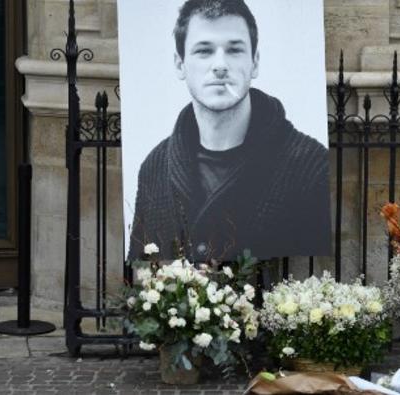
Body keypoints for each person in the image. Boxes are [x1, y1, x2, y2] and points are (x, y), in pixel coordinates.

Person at [128, 0, 331, 261]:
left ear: (255, 62)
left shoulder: (310, 166)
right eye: (204, 51)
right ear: (180, 65)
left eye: (234, 50)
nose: (220, 65)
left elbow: (317, 278)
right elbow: (140, 272)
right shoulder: (155, 167)